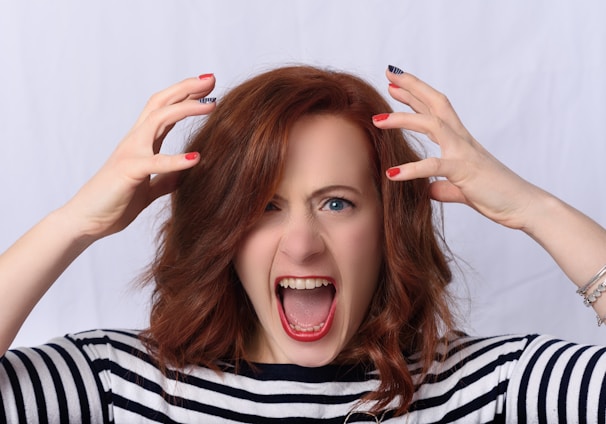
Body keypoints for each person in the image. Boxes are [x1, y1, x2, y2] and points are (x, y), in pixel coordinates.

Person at [0, 65, 604, 423]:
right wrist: (74, 222)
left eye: (336, 203)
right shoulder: (120, 382)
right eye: (265, 206)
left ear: (388, 225)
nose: (302, 244)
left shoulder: (487, 386)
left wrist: (535, 209)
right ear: (223, 230)